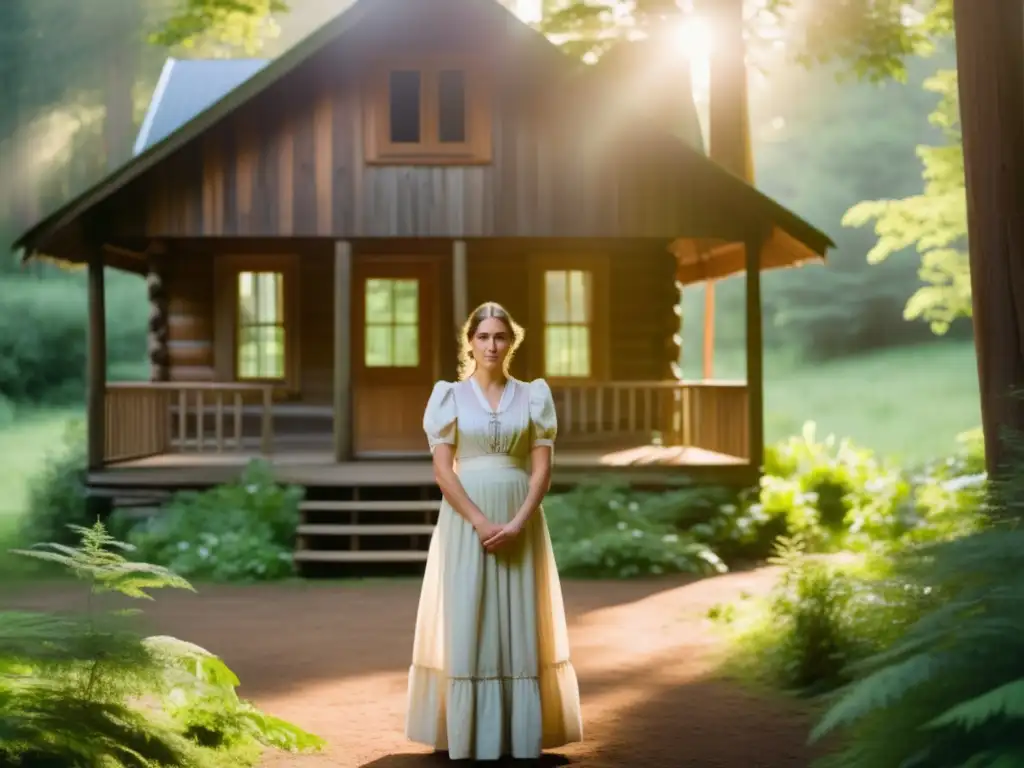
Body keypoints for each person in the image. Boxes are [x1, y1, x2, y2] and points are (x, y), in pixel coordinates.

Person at [404, 301, 584, 762]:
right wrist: (482, 521)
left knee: (521, 618)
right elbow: (444, 473)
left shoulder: (533, 396)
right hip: (467, 522)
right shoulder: (449, 396)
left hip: (522, 519)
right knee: (470, 615)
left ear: (511, 342)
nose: (491, 344)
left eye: (499, 336)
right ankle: (468, 735)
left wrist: (520, 522)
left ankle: (519, 735)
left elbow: (542, 470)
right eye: (482, 336)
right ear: (470, 342)